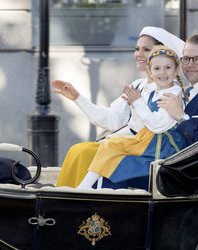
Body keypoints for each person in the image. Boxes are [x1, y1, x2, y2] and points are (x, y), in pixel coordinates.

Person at [54, 26, 185, 188]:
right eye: (137, 49)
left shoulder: (171, 92)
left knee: (85, 152)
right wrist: (77, 98)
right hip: (129, 143)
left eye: (146, 49)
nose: (139, 54)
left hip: (145, 149)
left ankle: (82, 199)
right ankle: (64, 197)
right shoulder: (137, 85)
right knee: (77, 150)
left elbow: (158, 125)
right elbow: (111, 120)